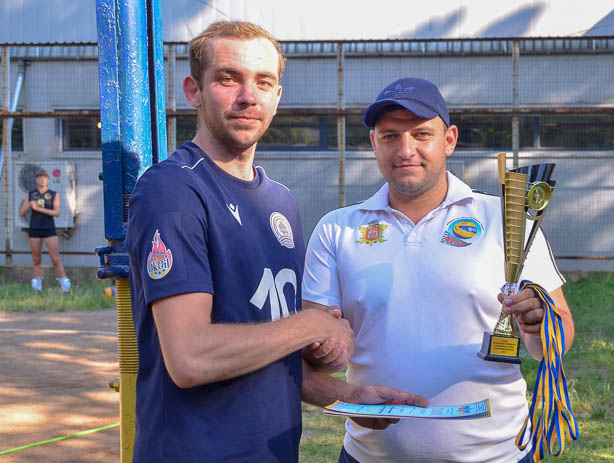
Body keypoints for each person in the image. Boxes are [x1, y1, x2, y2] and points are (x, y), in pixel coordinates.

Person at [125, 22, 426, 463]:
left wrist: (348, 395)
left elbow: (271, 358)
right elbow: (190, 359)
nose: (248, 96)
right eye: (228, 79)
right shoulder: (172, 190)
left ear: (277, 96)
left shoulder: (279, 202)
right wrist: (311, 325)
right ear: (193, 91)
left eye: (263, 82)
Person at [302, 77, 575, 463]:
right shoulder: (337, 228)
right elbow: (314, 344)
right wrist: (323, 346)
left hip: (496, 455)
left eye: (421, 134)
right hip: (371, 455)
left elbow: (559, 331)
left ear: (449, 140)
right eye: (390, 136)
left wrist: (539, 327)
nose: (405, 150)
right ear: (373, 144)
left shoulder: (506, 219)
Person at [18, 169, 71, 292]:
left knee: (55, 258)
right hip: (34, 229)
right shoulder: (30, 194)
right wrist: (30, 204)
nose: (42, 179)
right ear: (36, 180)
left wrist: (39, 209)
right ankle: (37, 288)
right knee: (36, 259)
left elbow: (57, 213)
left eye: (44, 177)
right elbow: (21, 213)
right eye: (39, 177)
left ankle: (65, 286)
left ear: (48, 179)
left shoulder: (53, 194)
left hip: (49, 228)